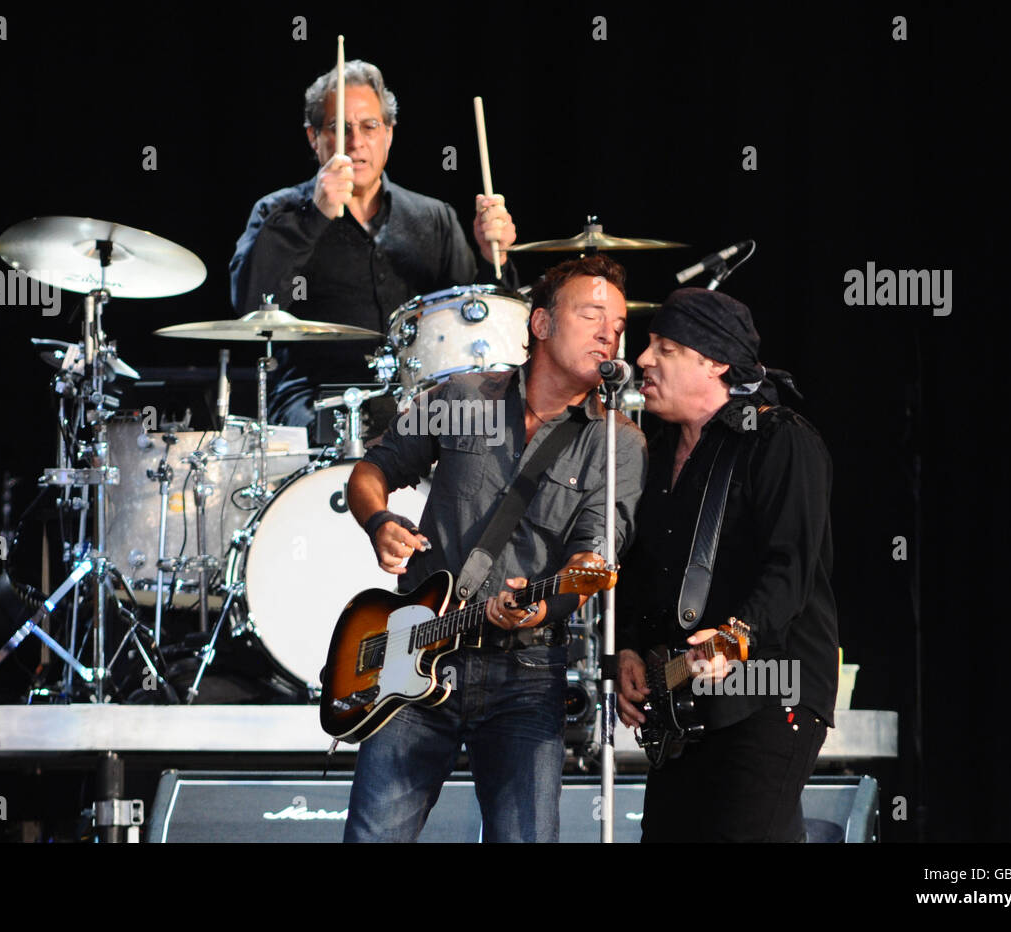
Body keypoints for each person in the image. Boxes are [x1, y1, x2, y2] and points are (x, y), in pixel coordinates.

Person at [343, 254, 647, 842]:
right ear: (540, 325)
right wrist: (378, 520)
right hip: (416, 650)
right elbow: (370, 471)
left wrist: (552, 598)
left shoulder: (618, 442)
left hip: (526, 672)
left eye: (618, 322)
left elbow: (595, 551)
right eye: (591, 314)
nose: (609, 331)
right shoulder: (462, 395)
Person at [615, 287, 838, 843]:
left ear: (713, 361)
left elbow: (792, 568)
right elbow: (642, 574)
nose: (642, 359)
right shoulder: (655, 453)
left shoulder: (780, 438)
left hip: (768, 690)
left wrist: (739, 633)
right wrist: (626, 651)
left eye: (664, 347)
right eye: (647, 344)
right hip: (682, 700)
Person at [228, 59, 519, 433]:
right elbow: (250, 304)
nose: (356, 141)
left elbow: (479, 324)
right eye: (338, 128)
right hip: (317, 399)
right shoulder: (277, 211)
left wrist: (492, 256)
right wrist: (314, 215)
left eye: (370, 126)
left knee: (489, 430)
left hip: (423, 399)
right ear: (313, 137)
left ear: (389, 135)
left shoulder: (434, 218)